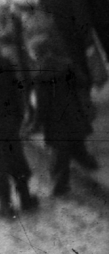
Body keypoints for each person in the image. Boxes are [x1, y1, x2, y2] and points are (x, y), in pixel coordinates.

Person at [25, 15, 97, 196]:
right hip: (73, 112)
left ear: (36, 53)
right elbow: (81, 81)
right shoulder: (66, 65)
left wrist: (35, 124)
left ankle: (60, 186)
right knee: (78, 144)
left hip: (56, 121)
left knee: (60, 156)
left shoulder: (40, 75)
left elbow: (41, 104)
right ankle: (89, 163)